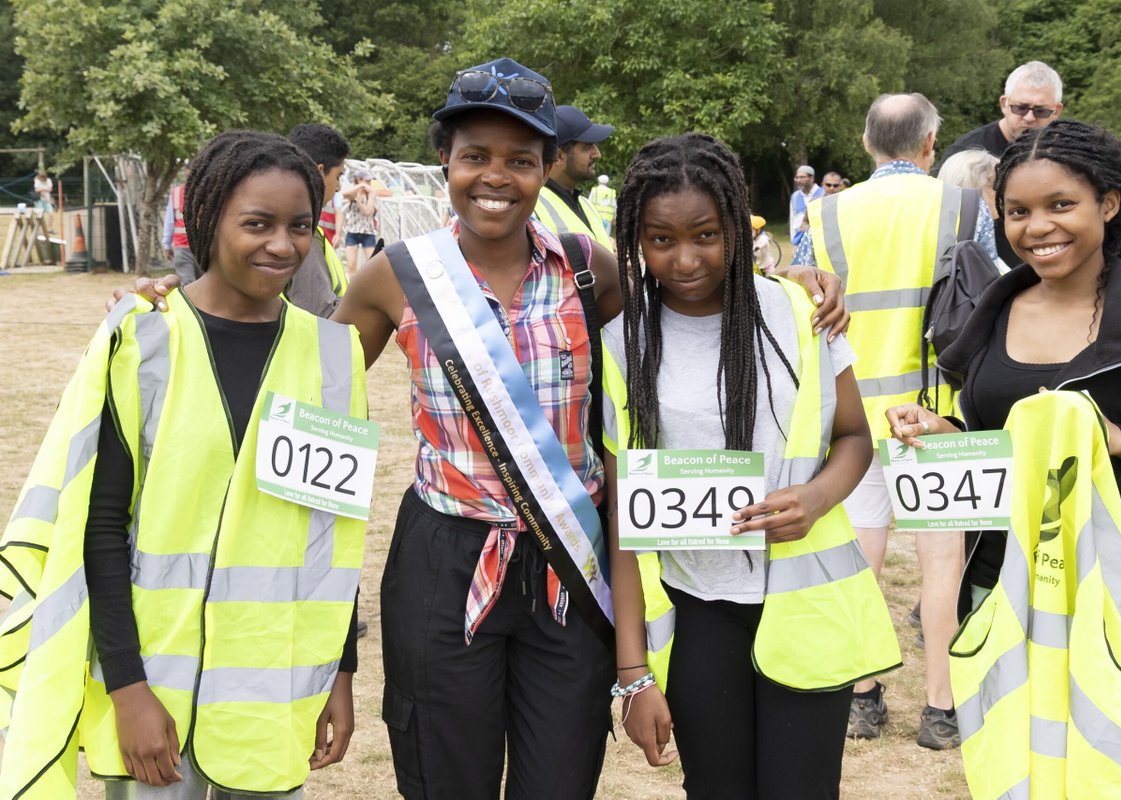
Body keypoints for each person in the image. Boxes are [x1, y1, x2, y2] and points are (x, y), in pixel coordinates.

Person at [110, 59, 848, 799]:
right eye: (475, 157)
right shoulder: (394, 277)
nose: (496, 177)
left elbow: (694, 292)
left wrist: (796, 282)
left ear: (548, 167)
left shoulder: (592, 272)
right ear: (445, 160)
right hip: (444, 561)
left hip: (567, 564)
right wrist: (189, 298)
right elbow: (301, 378)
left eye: (521, 160)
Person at [0, 130, 369, 798]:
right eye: (256, 224)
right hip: (154, 700)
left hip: (272, 692)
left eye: (300, 226)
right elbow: (102, 526)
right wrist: (128, 690)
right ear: (207, 220)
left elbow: (333, 535)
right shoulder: (142, 340)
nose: (282, 244)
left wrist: (338, 674)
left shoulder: (335, 358)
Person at [886, 119, 1121, 799]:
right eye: (1018, 212)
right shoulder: (992, 319)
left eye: (1062, 205)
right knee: (1014, 773)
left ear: (1108, 204)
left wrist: (1120, 445)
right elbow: (999, 438)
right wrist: (945, 432)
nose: (1038, 228)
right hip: (1005, 589)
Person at [602, 132, 897, 799]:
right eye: (660, 240)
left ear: (738, 224)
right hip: (699, 609)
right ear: (637, 241)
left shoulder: (800, 313)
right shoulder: (621, 344)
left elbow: (853, 435)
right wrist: (634, 674)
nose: (685, 259)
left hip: (806, 607)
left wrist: (818, 497)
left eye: (705, 234)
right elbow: (621, 520)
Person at [789, 92, 997, 749]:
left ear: (866, 141)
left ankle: (862, 696)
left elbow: (798, 308)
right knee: (942, 566)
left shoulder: (823, 215)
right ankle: (941, 709)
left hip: (850, 417)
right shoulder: (965, 207)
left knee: (859, 561)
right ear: (932, 142)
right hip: (937, 416)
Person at [939, 61, 1065, 268]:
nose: (1029, 117)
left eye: (1041, 111)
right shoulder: (967, 155)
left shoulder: (1068, 151)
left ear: (1057, 111)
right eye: (1020, 108)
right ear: (1004, 103)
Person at [285, 123, 352, 319]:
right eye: (338, 176)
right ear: (319, 172)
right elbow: (322, 315)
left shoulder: (295, 229)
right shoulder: (301, 235)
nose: (339, 187)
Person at [533, 104, 614, 251]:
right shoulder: (532, 207)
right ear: (558, 157)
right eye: (587, 147)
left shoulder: (587, 205)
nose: (597, 154)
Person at [938, 148, 1005, 271]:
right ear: (984, 186)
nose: (1003, 195)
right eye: (999, 186)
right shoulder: (981, 222)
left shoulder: (934, 219)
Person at [161, 163, 198, 285]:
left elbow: (170, 222)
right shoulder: (176, 193)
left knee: (192, 285)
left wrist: (167, 245)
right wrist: (166, 244)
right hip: (185, 247)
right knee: (189, 284)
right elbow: (170, 221)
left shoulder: (209, 193)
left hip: (199, 248)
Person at [340, 171, 378, 276]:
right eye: (366, 180)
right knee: (351, 265)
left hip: (368, 232)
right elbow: (344, 194)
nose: (368, 183)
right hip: (352, 231)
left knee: (371, 264)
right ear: (359, 179)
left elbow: (368, 211)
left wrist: (356, 201)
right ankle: (352, 290)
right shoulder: (353, 191)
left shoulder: (371, 193)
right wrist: (359, 186)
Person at [789, 165, 823, 245]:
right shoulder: (795, 196)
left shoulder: (823, 193)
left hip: (819, 241)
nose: (798, 180)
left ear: (811, 178)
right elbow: (792, 219)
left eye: (802, 177)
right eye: (797, 177)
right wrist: (793, 241)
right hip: (800, 241)